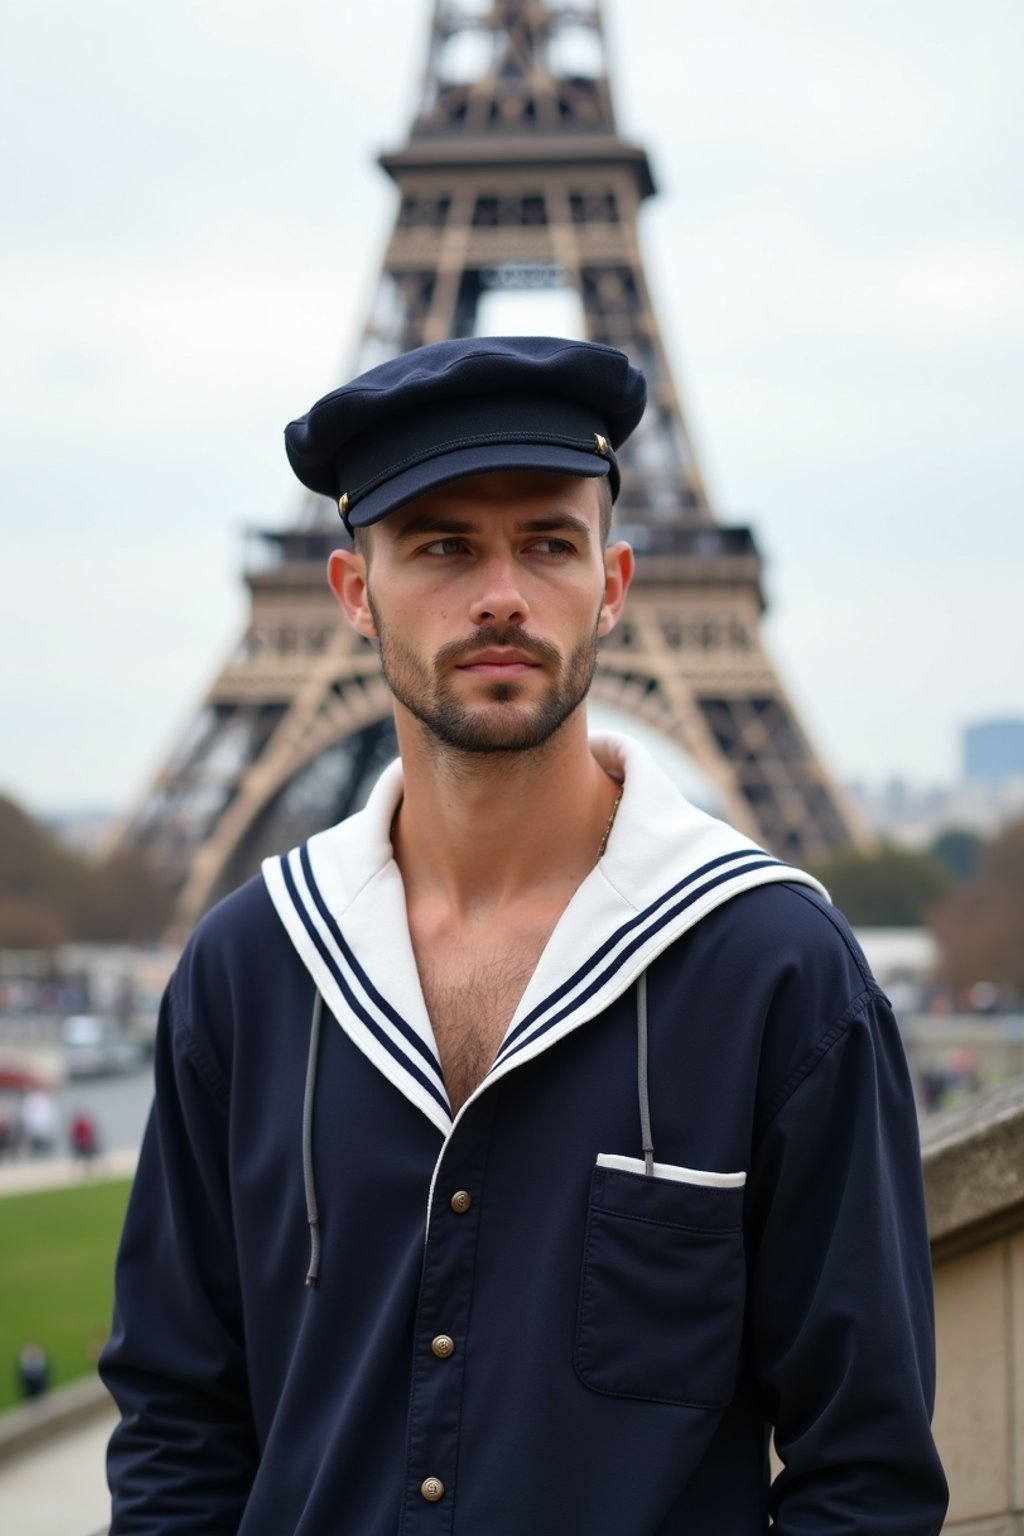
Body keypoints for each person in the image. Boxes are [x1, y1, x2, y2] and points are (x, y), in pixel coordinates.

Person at [101, 337, 947, 1533]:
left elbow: (862, 1468)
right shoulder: (244, 974)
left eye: (546, 543)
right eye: (443, 545)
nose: (500, 592)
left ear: (611, 584)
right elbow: (179, 1422)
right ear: (351, 592)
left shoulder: (780, 973)